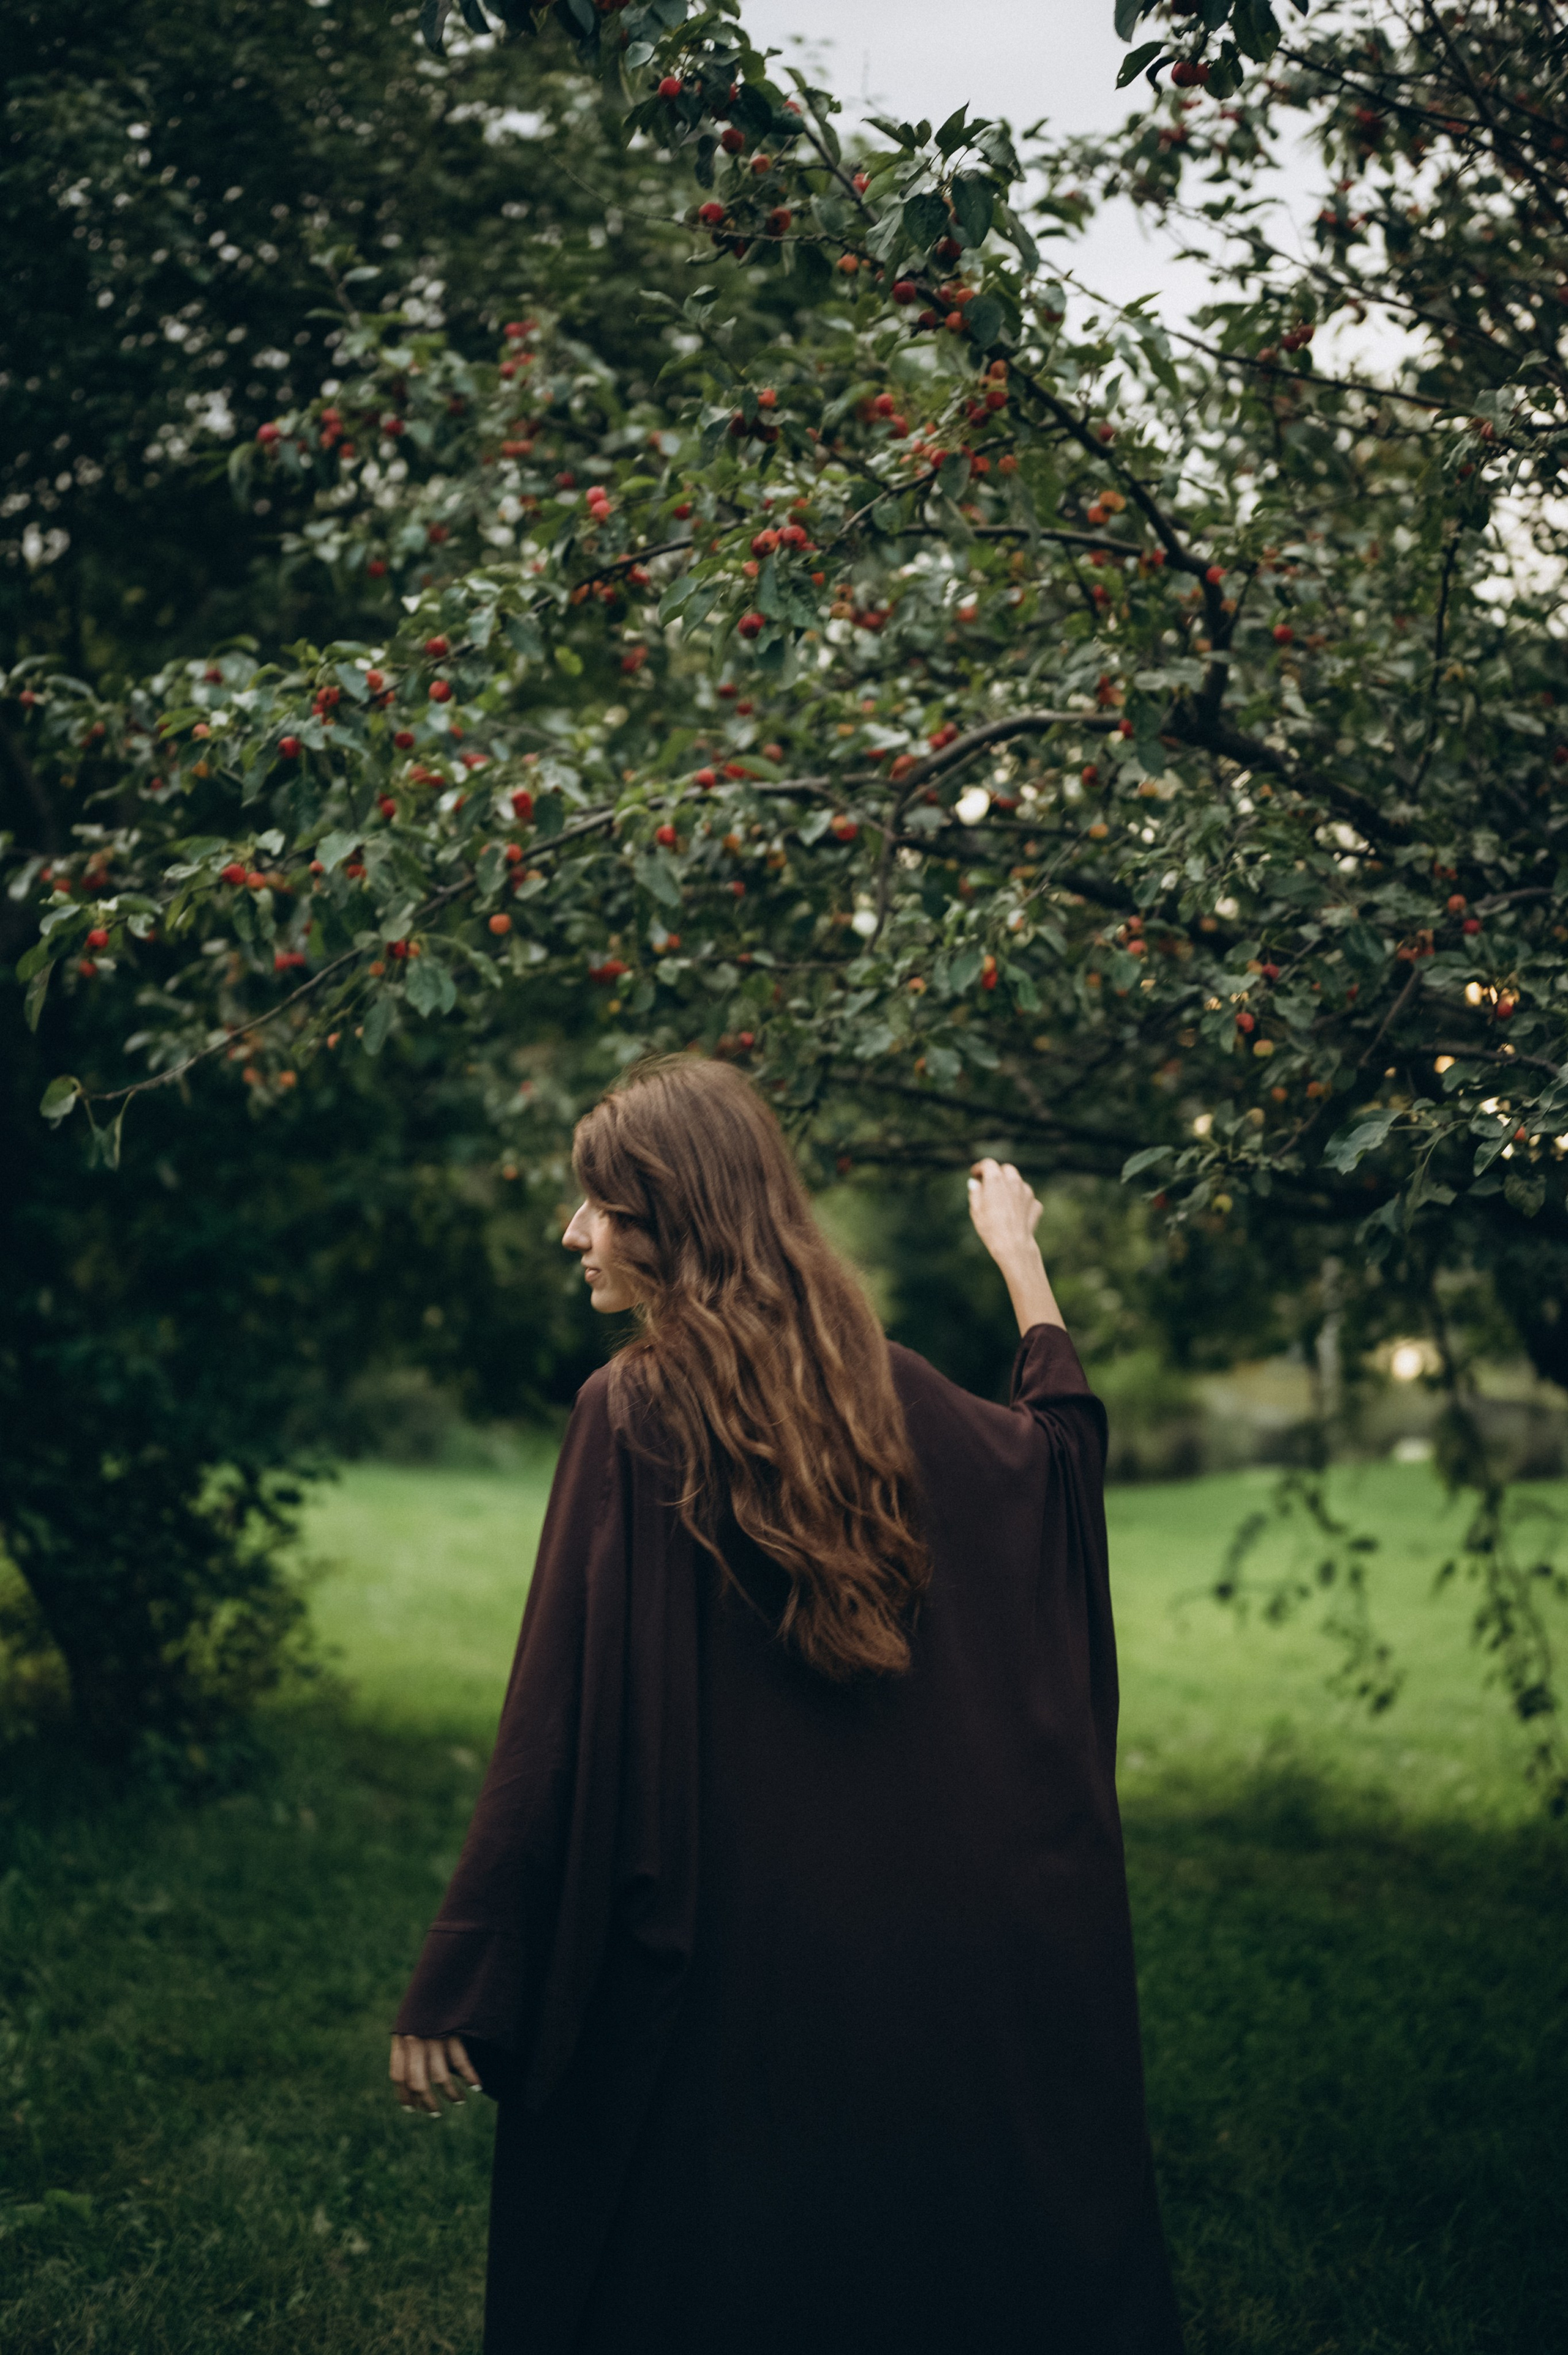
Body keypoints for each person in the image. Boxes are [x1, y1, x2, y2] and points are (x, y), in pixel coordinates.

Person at [390, 1054, 1184, 2354]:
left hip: (722, 1941)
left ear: (675, 1215)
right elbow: (1055, 1468)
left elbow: (555, 1716)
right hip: (907, 1940)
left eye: (601, 1205)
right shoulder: (892, 1381)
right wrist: (1016, 1256)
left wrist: (466, 1966)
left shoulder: (632, 1405)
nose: (572, 1232)